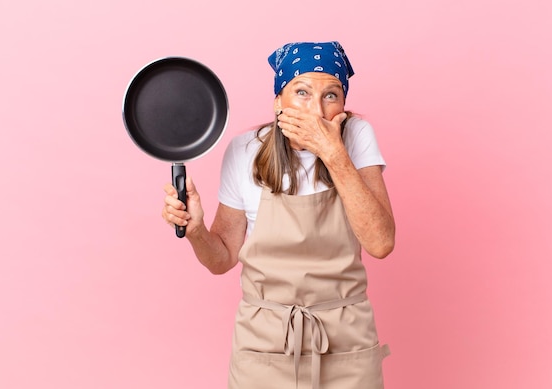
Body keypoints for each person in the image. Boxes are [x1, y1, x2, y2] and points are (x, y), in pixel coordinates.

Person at [162, 41, 396, 389]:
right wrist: (196, 230)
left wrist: (333, 153)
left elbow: (381, 243)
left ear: (344, 104)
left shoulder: (356, 137)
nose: (316, 109)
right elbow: (221, 258)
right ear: (278, 102)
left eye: (331, 95)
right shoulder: (244, 150)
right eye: (301, 92)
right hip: (264, 341)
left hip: (345, 335)